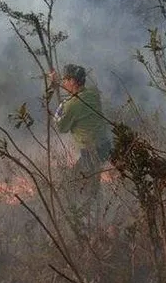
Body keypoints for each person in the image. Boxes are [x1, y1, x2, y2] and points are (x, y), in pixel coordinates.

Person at [49, 64, 111, 230]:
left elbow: (60, 126)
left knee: (78, 187)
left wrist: (60, 101)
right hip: (104, 147)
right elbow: (75, 96)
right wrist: (59, 86)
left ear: (73, 81)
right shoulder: (92, 94)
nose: (64, 82)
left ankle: (92, 224)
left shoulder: (71, 105)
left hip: (91, 152)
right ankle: (95, 218)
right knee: (88, 182)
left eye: (66, 79)